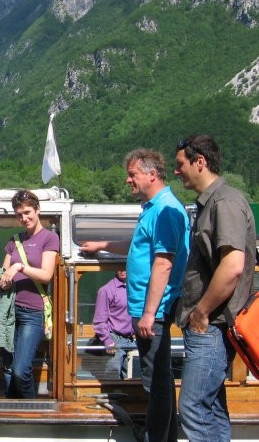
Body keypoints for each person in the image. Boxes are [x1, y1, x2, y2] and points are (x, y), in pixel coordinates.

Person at [81, 148, 189, 442]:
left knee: (156, 381)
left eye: (133, 175)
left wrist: (150, 313)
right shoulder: (154, 209)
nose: (128, 180)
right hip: (146, 308)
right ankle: (165, 436)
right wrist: (102, 244)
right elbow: (138, 246)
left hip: (151, 310)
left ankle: (158, 438)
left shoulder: (166, 210)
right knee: (161, 378)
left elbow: (164, 263)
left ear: (151, 175)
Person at [174, 135, 256, 442]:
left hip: (212, 326)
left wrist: (201, 312)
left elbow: (233, 265)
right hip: (212, 326)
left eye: (180, 164)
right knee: (212, 407)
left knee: (193, 408)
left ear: (200, 162)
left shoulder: (225, 203)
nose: (176, 171)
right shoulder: (213, 203)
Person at [0, 189, 59, 399]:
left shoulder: (49, 238)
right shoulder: (13, 240)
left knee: (20, 369)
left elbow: (46, 275)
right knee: (8, 368)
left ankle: (30, 410)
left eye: (27, 212)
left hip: (33, 313)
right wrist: (2, 280)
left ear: (37, 210)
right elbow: (4, 275)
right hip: (9, 312)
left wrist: (19, 267)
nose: (23, 218)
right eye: (18, 214)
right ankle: (11, 408)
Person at [92, 270, 136, 379]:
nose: (122, 270)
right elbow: (99, 320)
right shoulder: (106, 290)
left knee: (131, 380)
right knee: (112, 379)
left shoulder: (136, 287)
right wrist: (108, 341)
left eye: (125, 266)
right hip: (114, 341)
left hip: (132, 340)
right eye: (118, 267)